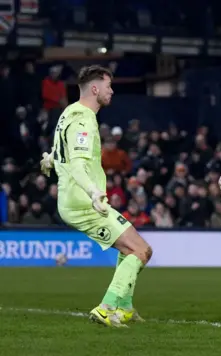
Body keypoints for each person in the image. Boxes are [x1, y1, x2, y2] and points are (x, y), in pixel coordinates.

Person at [39, 65, 153, 328]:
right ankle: (106, 308)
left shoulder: (68, 113)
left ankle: (124, 308)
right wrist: (93, 193)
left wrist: (49, 161)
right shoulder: (84, 119)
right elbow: (77, 163)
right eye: (108, 85)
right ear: (94, 88)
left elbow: (61, 152)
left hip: (72, 199)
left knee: (130, 248)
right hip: (83, 201)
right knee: (141, 250)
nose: (111, 91)